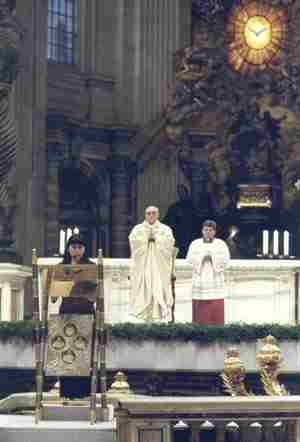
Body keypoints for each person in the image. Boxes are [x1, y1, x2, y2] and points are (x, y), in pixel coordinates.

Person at [58, 234, 96, 399]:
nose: (76, 250)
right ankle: (66, 392)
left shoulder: (91, 267)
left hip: (84, 311)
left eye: (80, 247)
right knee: (66, 352)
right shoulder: (61, 266)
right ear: (68, 249)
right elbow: (54, 293)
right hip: (66, 312)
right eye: (73, 247)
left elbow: (93, 292)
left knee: (82, 351)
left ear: (84, 249)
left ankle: (82, 392)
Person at [129, 206, 175, 322]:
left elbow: (170, 243)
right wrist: (146, 239)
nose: (151, 215)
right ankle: (145, 314)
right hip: (143, 266)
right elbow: (134, 242)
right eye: (148, 213)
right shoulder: (138, 229)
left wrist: (156, 239)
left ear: (158, 214)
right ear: (145, 215)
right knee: (144, 288)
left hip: (159, 267)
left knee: (158, 287)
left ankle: (158, 314)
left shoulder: (165, 229)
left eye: (153, 213)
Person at [186, 220, 230, 324]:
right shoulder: (195, 244)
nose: (208, 232)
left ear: (214, 232)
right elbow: (189, 259)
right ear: (202, 231)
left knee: (215, 313)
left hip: (215, 281)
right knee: (200, 315)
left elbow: (226, 260)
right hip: (200, 281)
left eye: (210, 230)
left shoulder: (221, 244)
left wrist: (213, 257)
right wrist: (201, 257)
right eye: (206, 230)